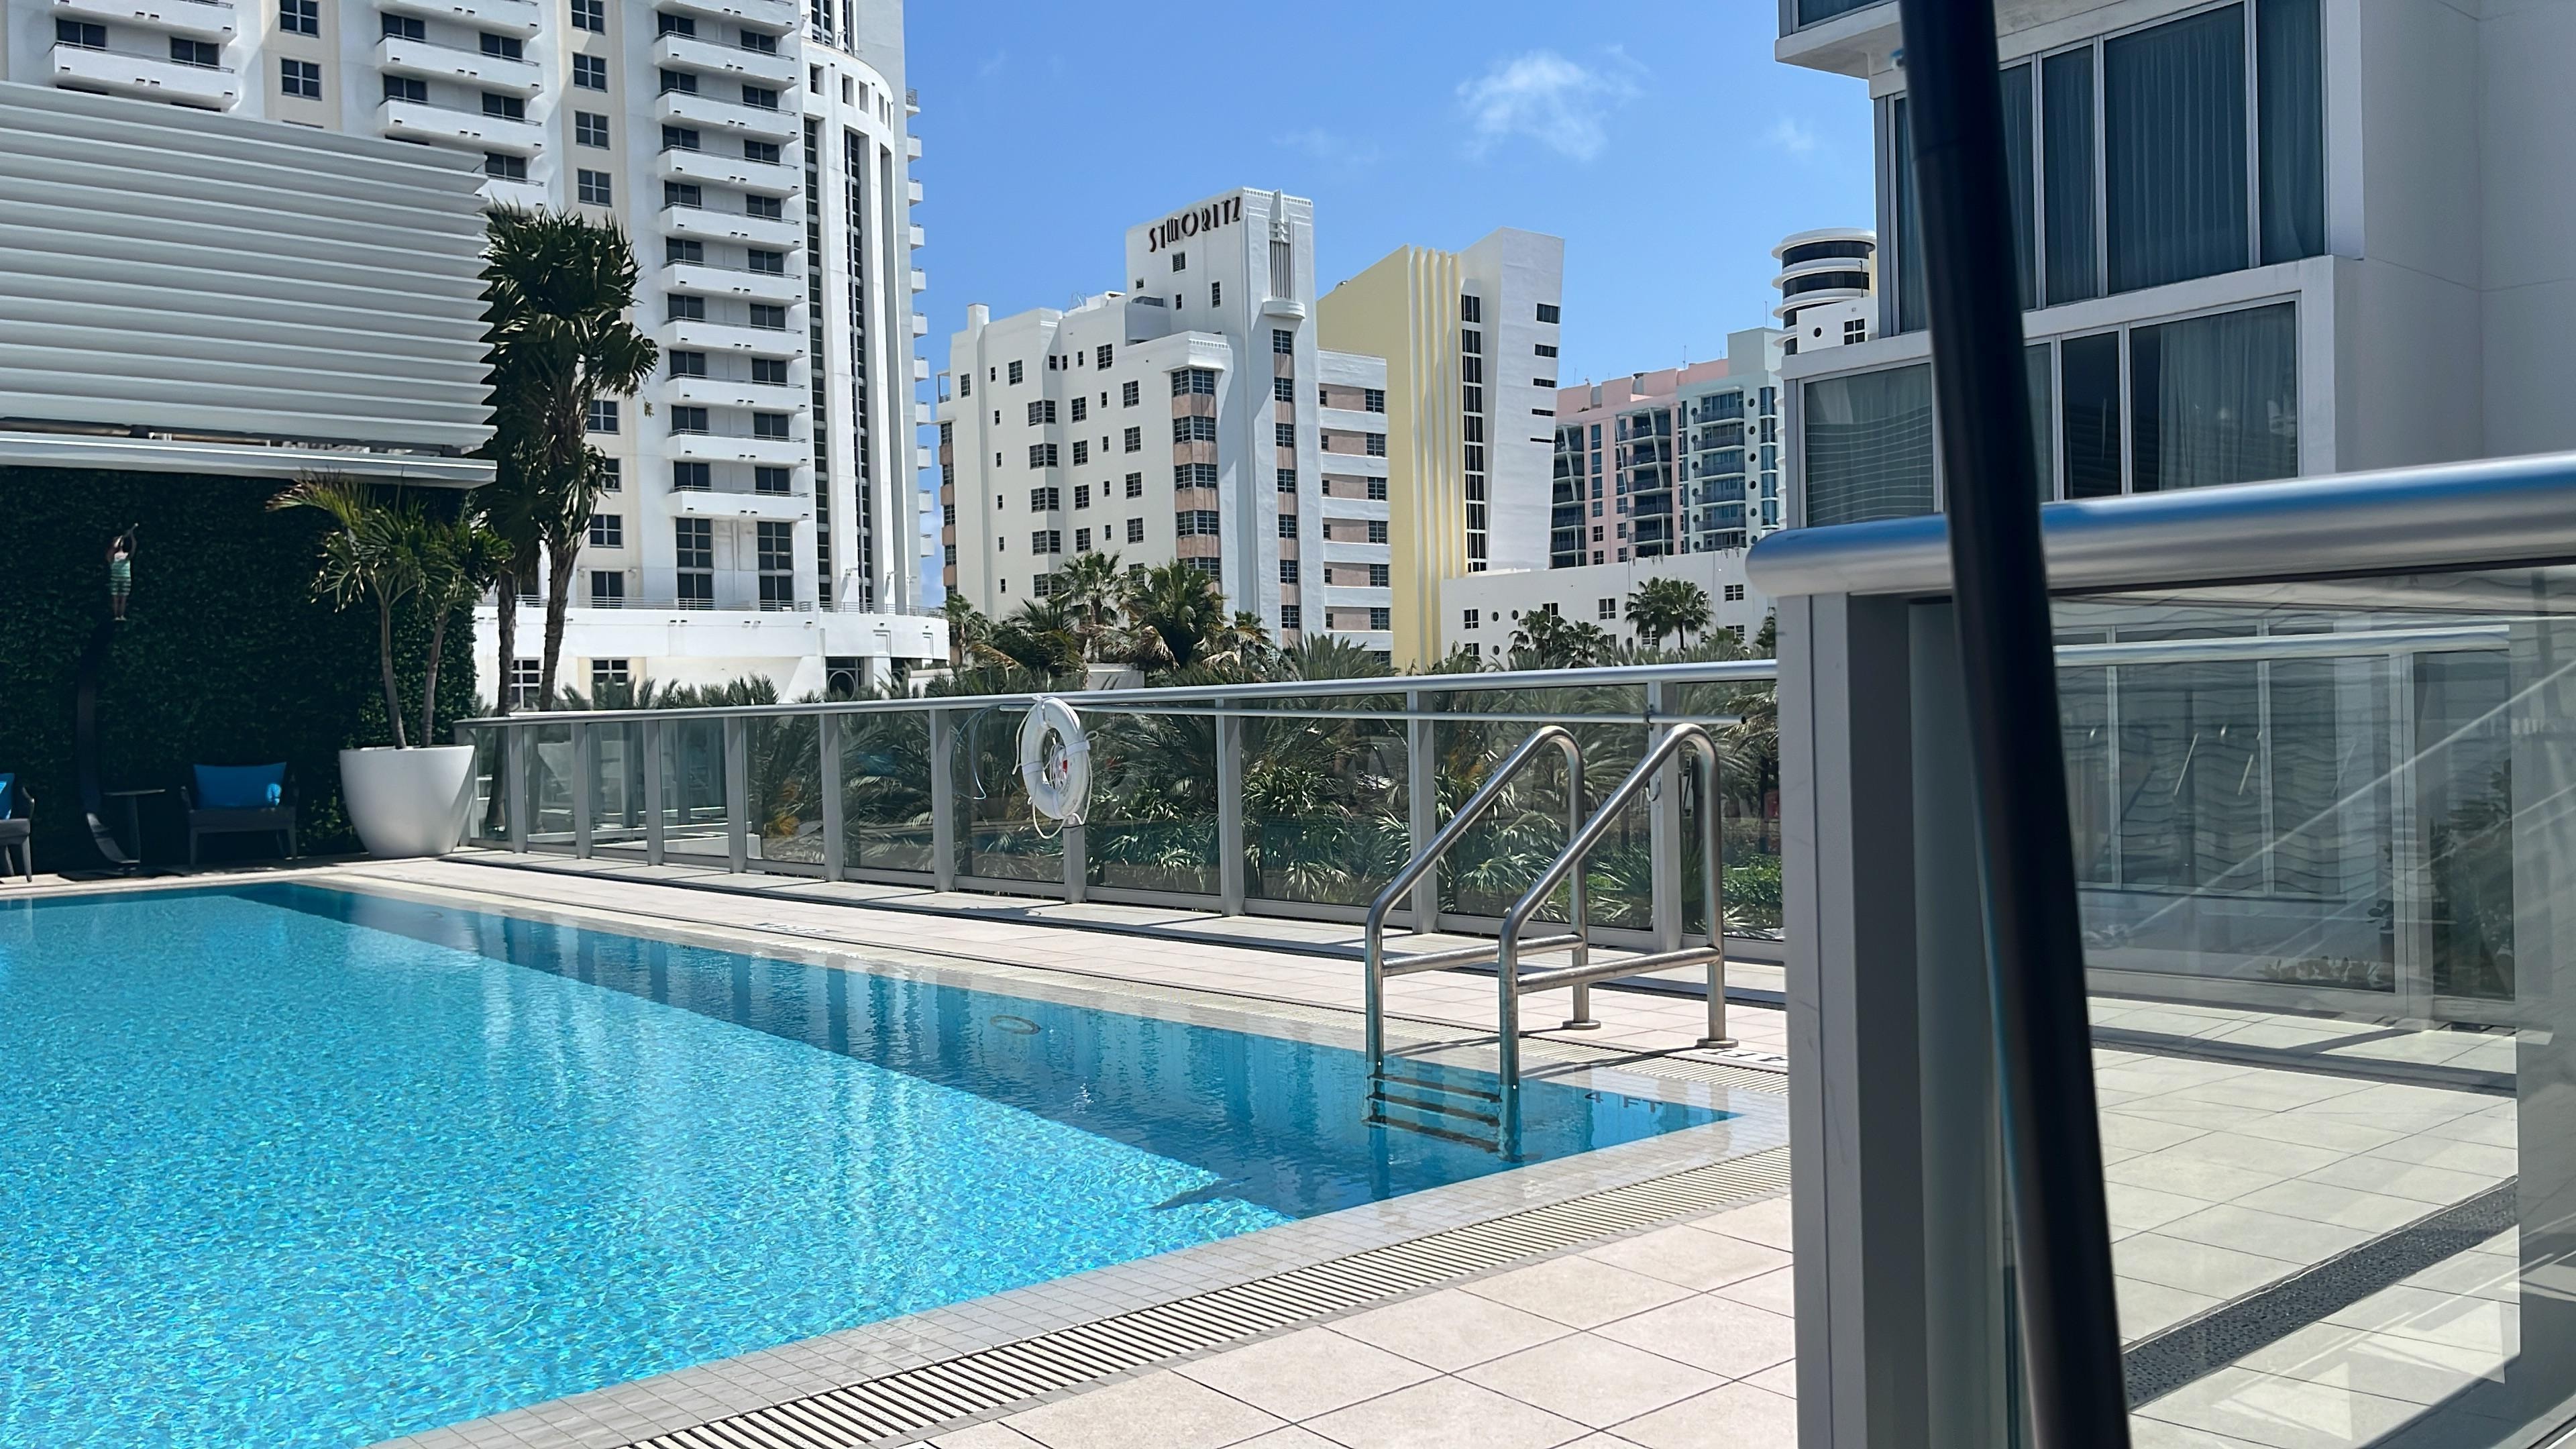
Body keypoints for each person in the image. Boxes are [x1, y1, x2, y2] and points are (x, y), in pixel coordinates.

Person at [107, 528, 136, 622]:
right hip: (115, 579)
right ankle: (116, 616)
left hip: (126, 579)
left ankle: (121, 616)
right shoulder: (112, 556)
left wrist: (131, 535)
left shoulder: (127, 555)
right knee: (115, 598)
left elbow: (134, 545)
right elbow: (114, 547)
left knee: (123, 598)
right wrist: (121, 537)